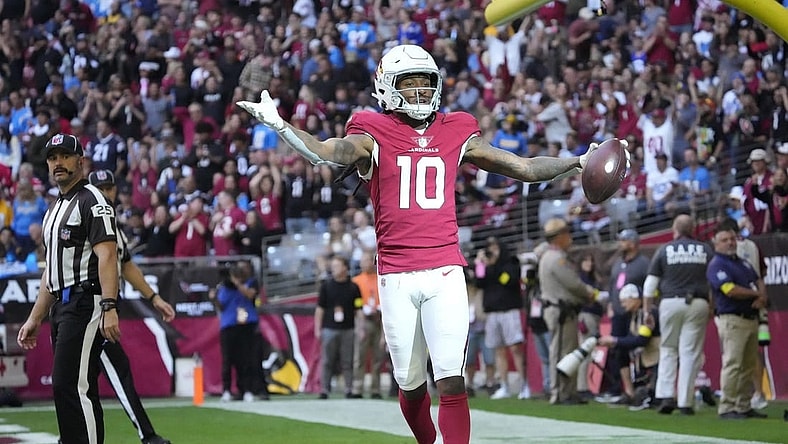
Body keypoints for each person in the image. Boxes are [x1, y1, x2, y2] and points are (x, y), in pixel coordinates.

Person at [237, 44, 602, 443]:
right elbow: (325, 154)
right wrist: (282, 126)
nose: (418, 93)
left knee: (451, 380)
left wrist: (577, 161)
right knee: (411, 387)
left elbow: (524, 168)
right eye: (407, 85)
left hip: (445, 268)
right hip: (395, 274)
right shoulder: (370, 129)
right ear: (387, 88)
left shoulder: (458, 127)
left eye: (424, 84)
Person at [17, 133, 121, 444]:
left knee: (71, 385)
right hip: (61, 306)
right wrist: (35, 318)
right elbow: (52, 272)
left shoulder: (93, 200)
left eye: (64, 156)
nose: (58, 163)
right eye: (52, 157)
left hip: (85, 301)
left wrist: (109, 305)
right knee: (70, 386)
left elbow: (107, 255)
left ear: (80, 160)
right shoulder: (53, 210)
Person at [88, 169, 175, 444]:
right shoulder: (87, 220)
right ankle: (147, 435)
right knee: (112, 370)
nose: (105, 192)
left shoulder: (113, 224)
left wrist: (154, 298)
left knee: (83, 383)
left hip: (104, 306)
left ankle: (75, 437)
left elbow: (125, 264)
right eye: (99, 187)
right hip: (90, 308)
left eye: (108, 187)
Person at [643, 214, 712, 415]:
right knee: (690, 353)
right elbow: (712, 282)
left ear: (675, 229)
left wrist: (647, 310)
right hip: (698, 302)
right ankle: (685, 402)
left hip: (670, 302)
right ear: (692, 230)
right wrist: (712, 308)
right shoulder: (705, 249)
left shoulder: (664, 250)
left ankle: (665, 396)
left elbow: (650, 285)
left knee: (668, 349)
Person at [706, 223, 768, 420]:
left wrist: (761, 296)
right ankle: (727, 406)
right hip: (732, 318)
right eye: (725, 240)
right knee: (733, 363)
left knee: (748, 364)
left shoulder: (743, 262)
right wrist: (756, 294)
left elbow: (758, 279)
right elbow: (729, 290)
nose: (730, 243)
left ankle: (743, 405)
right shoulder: (717, 264)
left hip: (750, 317)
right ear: (716, 243)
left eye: (732, 239)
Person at [538, 218, 598, 405]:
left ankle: (567, 391)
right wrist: (590, 293)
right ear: (559, 237)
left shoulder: (549, 255)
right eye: (566, 234)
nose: (569, 237)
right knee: (563, 351)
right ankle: (562, 392)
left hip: (560, 310)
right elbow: (573, 284)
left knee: (566, 351)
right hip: (562, 311)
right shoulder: (556, 258)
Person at [475, 236, 530, 400]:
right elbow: (480, 282)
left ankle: (524, 385)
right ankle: (504, 386)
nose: (491, 252)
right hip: (492, 312)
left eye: (495, 248)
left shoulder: (510, 263)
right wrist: (480, 265)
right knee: (498, 350)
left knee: (515, 348)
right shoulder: (487, 266)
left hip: (509, 310)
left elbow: (506, 280)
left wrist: (493, 266)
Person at [602, 229, 650, 400]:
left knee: (639, 347)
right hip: (618, 312)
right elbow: (612, 285)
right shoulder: (617, 263)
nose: (620, 244)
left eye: (623, 240)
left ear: (632, 242)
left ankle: (642, 387)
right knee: (618, 350)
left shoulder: (644, 263)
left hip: (635, 313)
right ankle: (627, 390)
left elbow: (650, 286)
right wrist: (610, 303)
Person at [597, 283, 660, 408]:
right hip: (644, 356)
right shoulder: (636, 314)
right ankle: (629, 391)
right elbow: (633, 338)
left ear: (635, 299)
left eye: (625, 301)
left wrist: (615, 340)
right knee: (620, 351)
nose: (622, 305)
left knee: (648, 395)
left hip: (656, 357)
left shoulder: (649, 313)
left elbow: (642, 340)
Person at [209, 262, 263, 403]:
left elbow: (250, 295)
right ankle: (226, 390)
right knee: (227, 360)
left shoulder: (250, 283)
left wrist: (238, 283)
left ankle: (247, 390)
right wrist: (213, 298)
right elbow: (221, 306)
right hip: (228, 325)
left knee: (246, 359)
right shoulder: (224, 287)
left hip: (245, 325)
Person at [314, 255, 362, 399]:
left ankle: (348, 388)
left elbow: (358, 308)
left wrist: (361, 326)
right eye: (333, 266)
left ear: (345, 268)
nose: (334, 269)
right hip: (329, 328)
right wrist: (318, 328)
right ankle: (324, 389)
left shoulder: (353, 287)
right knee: (327, 360)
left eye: (337, 266)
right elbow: (320, 308)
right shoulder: (326, 286)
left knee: (347, 361)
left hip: (348, 328)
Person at [350, 250, 386, 399]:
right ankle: (357, 387)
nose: (365, 263)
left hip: (379, 319)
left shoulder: (380, 279)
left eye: (367, 260)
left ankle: (375, 389)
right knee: (360, 356)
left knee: (378, 356)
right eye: (363, 260)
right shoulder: (356, 281)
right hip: (363, 320)